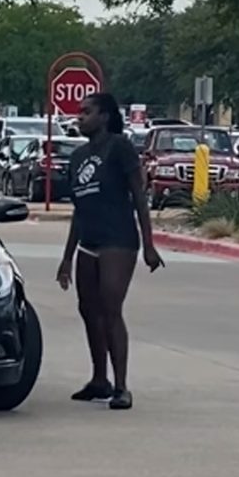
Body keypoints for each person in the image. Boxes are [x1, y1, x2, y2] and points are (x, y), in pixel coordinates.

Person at [56, 92, 165, 410]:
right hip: (88, 242)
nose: (80, 117)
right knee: (88, 309)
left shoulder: (119, 147)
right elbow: (79, 209)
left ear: (104, 116)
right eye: (79, 112)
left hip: (118, 241)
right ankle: (98, 379)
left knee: (110, 306)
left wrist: (149, 244)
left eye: (87, 112)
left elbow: (139, 197)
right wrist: (66, 258)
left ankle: (121, 386)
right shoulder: (78, 157)